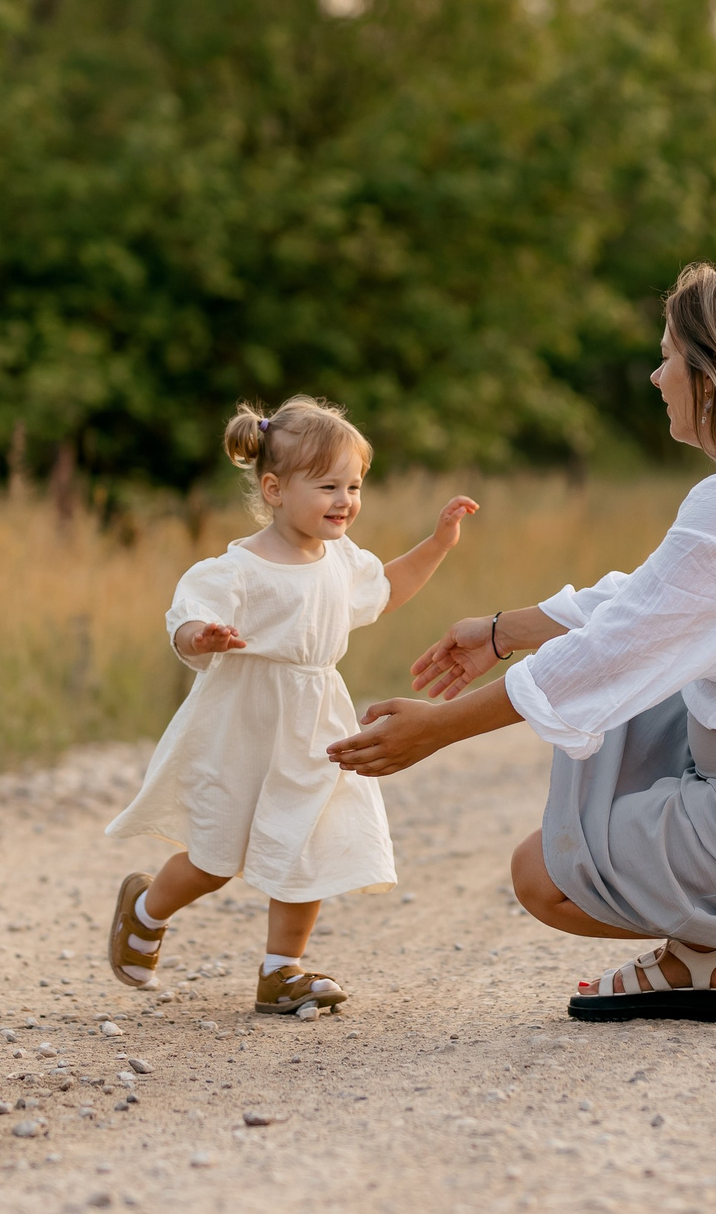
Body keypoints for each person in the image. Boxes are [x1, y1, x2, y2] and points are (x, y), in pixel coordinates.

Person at [329, 264, 716, 1038]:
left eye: (668, 356)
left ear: (709, 377)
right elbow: (650, 598)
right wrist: (506, 628)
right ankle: (711, 960)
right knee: (643, 671)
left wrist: (435, 730)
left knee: (544, 877)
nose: (656, 375)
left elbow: (619, 644)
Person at [103, 396, 478, 1016]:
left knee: (311, 842)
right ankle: (144, 910)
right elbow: (189, 614)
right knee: (215, 857)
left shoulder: (342, 562)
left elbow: (385, 591)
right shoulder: (239, 568)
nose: (345, 500)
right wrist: (202, 635)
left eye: (354, 486)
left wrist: (437, 544)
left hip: (313, 718)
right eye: (327, 485)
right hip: (242, 722)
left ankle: (282, 971)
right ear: (274, 489)